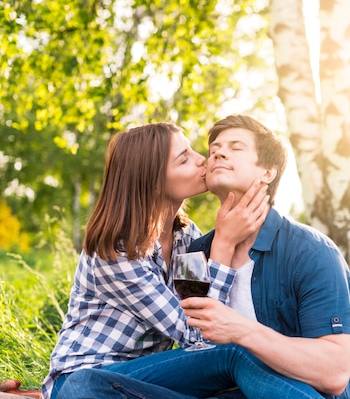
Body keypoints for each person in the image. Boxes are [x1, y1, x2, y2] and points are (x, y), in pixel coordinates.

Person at [43, 122, 326, 399]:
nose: (203, 160)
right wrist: (224, 244)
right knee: (232, 355)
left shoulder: (186, 237)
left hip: (143, 380)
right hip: (84, 380)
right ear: (153, 183)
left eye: (192, 150)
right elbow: (197, 334)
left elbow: (202, 322)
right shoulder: (117, 252)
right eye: (184, 159)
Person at [183, 114, 350, 399]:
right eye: (214, 148)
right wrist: (224, 243)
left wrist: (241, 332)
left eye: (236, 147)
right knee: (91, 383)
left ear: (268, 171)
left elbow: (334, 373)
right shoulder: (193, 254)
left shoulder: (313, 252)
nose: (218, 152)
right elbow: (190, 345)